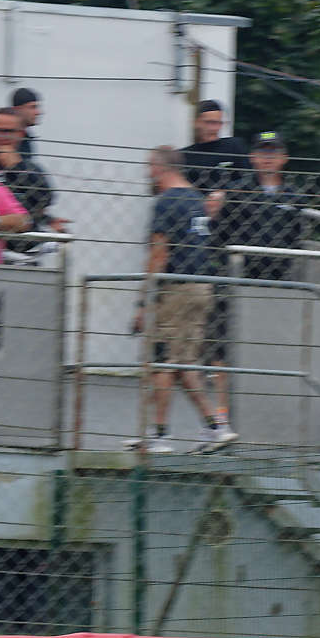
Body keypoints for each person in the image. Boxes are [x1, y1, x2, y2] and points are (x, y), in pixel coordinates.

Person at [133, 146, 233, 455]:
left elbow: (159, 252)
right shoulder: (195, 200)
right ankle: (216, 427)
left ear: (162, 168)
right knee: (183, 363)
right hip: (200, 287)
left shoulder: (166, 202)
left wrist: (144, 300)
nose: (148, 174)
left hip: (175, 289)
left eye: (150, 167)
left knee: (162, 359)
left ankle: (160, 436)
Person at [222, 130, 307, 282]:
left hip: (281, 274)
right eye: (262, 152)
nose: (268, 157)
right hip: (240, 272)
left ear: (284, 158)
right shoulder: (236, 191)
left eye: (274, 152)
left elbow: (297, 233)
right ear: (252, 157)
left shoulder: (295, 196)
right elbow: (222, 230)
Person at [0, 106, 61, 249]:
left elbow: (45, 199)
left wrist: (16, 167)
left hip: (24, 247)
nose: (3, 136)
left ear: (20, 134)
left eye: (9, 131)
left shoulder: (30, 168)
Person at [180, 98, 249, 196]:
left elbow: (248, 178)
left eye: (218, 123)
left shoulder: (234, 146)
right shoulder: (184, 156)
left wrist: (224, 192)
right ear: (196, 122)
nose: (214, 128)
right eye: (209, 123)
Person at [9, 86, 42, 158]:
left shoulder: (24, 137)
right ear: (17, 110)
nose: (38, 112)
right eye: (32, 107)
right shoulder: (8, 139)